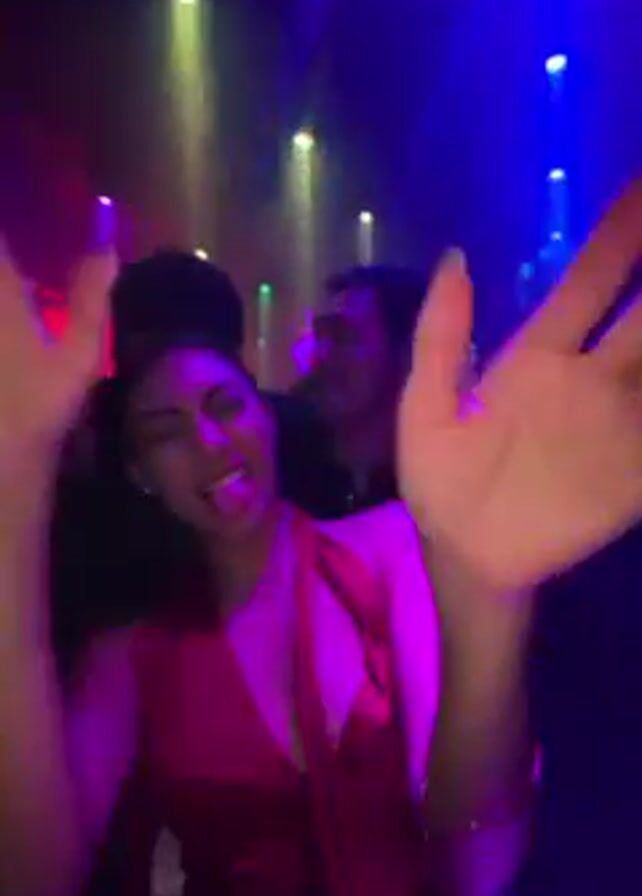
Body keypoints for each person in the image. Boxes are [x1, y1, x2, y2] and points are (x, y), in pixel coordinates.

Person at [2, 179, 642, 896]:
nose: (210, 441)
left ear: (265, 415)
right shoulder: (128, 656)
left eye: (225, 405)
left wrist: (489, 609)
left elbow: (477, 860)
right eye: (165, 431)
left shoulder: (387, 546)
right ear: (140, 473)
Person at [292, 265, 429, 518]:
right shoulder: (286, 474)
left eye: (344, 337)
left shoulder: (432, 491)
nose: (322, 355)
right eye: (320, 336)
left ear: (404, 353)